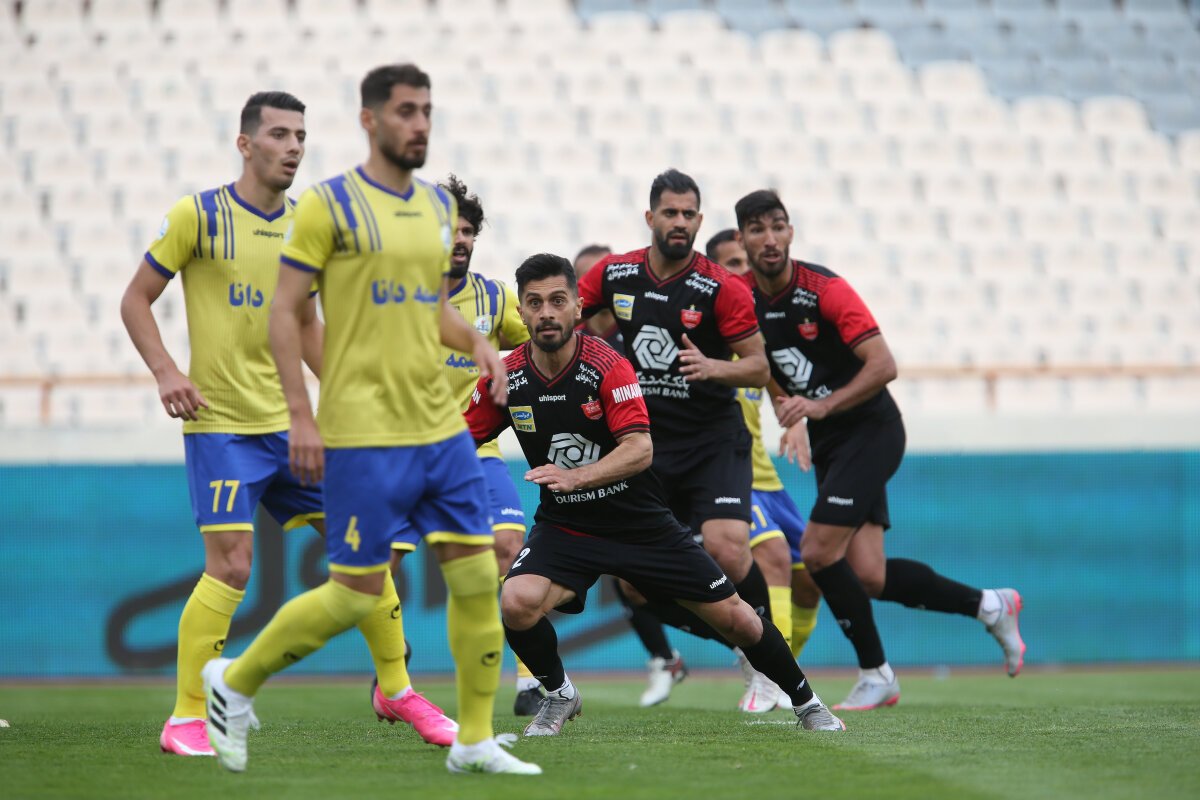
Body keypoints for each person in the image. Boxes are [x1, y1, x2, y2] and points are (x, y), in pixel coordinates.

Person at [198, 64, 539, 776]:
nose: (419, 124)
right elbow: (287, 313)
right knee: (357, 590)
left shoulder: (437, 209)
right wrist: (301, 416)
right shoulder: (327, 206)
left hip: (440, 430)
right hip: (363, 432)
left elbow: (429, 307)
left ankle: (475, 740)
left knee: (477, 575)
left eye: (427, 111)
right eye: (406, 111)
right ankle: (235, 680)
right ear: (370, 120)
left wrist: (478, 342)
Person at [121, 91, 436, 757]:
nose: (294, 147)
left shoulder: (304, 226)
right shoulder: (198, 215)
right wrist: (166, 371)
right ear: (245, 144)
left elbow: (308, 325)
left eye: (301, 136)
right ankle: (185, 718)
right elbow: (136, 299)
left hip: (295, 429)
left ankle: (396, 689)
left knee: (366, 544)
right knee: (233, 565)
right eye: (279, 134)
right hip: (222, 427)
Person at [465, 252, 845, 735]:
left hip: (640, 524)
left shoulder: (608, 365)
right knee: (516, 601)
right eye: (535, 303)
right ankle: (559, 695)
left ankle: (808, 702)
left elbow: (640, 449)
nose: (546, 313)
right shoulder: (508, 377)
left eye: (557, 300)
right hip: (567, 526)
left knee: (738, 620)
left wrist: (577, 478)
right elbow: (458, 440)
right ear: (520, 312)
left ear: (578, 306)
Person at [734, 188, 1025, 711]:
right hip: (831, 440)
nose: (770, 238)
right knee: (869, 574)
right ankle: (989, 605)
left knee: (818, 552)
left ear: (791, 231)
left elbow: (884, 364)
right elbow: (759, 363)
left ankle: (876, 672)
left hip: (871, 431)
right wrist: (788, 410)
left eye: (778, 226)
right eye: (757, 229)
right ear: (743, 239)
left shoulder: (824, 289)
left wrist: (820, 407)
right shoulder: (745, 299)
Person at [576, 170, 777, 709]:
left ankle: (768, 660)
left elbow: (759, 367)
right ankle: (746, 647)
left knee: (728, 549)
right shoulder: (615, 273)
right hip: (646, 446)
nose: (680, 222)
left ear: (700, 220)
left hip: (713, 441)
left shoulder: (721, 286)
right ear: (650, 217)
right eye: (671, 212)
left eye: (689, 214)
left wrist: (714, 367)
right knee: (633, 582)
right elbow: (566, 317)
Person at [383, 175, 543, 717]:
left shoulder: (494, 298)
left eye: (468, 230)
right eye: (449, 229)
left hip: (474, 450)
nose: (459, 239)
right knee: (377, 567)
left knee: (509, 545)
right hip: (404, 450)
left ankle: (530, 679)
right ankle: (392, 666)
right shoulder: (396, 295)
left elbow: (538, 353)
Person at [706, 230, 824, 712]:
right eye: (732, 264)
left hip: (768, 478)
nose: (743, 273)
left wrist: (793, 422)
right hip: (730, 479)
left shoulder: (751, 338)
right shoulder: (704, 334)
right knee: (772, 556)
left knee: (811, 576)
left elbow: (775, 383)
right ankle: (769, 675)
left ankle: (778, 667)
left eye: (745, 264)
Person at [571, 243, 621, 349]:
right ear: (576, 285)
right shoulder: (566, 337)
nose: (600, 284)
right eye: (590, 277)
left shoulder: (638, 329)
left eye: (605, 274)